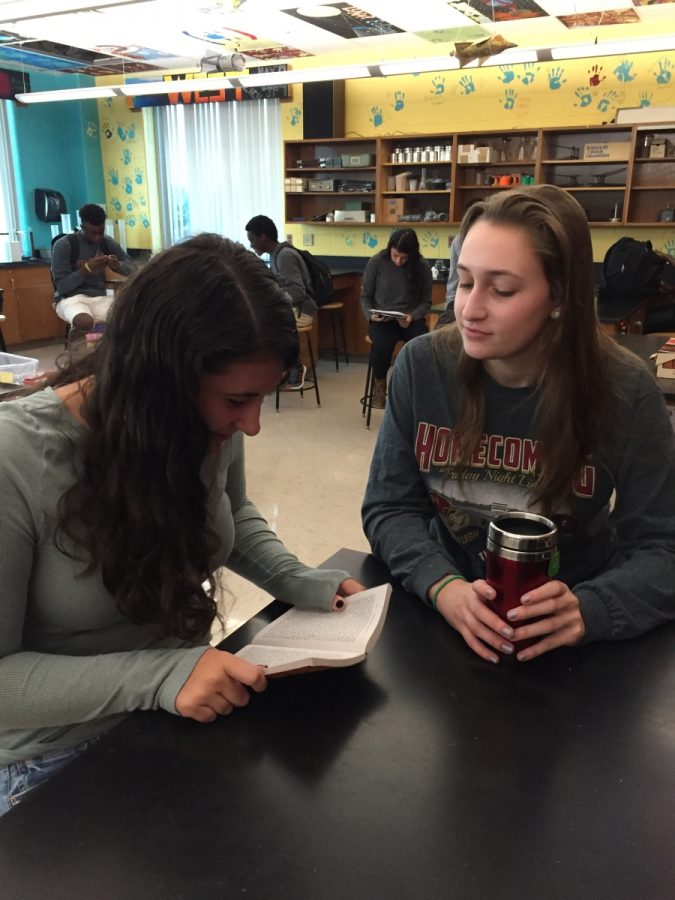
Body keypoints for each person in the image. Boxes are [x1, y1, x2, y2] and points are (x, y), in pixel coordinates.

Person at [0, 234, 363, 816]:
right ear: (156, 382)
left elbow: (230, 515)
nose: (252, 426)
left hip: (182, 710)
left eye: (262, 400)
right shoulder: (13, 458)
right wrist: (160, 673)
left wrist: (299, 580)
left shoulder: (199, 427)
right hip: (54, 760)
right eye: (237, 401)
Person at [362, 185, 675, 665]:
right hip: (446, 622)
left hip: (575, 633)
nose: (470, 309)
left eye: (502, 289)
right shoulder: (421, 367)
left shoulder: (627, 391)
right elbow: (389, 508)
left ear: (560, 297)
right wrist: (442, 585)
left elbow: (662, 547)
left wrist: (590, 610)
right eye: (464, 282)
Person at [360, 228, 432, 409]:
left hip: (409, 319)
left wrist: (412, 316)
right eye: (395, 256)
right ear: (389, 249)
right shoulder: (377, 262)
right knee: (382, 344)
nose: (399, 261)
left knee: (422, 344)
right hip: (382, 319)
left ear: (412, 255)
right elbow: (365, 297)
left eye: (404, 258)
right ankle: (379, 387)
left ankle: (409, 387)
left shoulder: (422, 266)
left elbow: (426, 302)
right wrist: (370, 315)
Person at [245, 214, 316, 390]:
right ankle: (281, 370)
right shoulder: (277, 255)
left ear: (262, 237)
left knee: (266, 328)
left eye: (252, 239)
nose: (251, 245)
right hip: (294, 309)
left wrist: (272, 295)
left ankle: (292, 366)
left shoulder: (284, 256)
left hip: (303, 311)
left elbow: (298, 292)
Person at [51, 203, 136, 339]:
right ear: (82, 227)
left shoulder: (106, 242)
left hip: (100, 298)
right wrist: (86, 270)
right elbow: (62, 286)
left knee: (127, 318)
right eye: (93, 233)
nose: (97, 237)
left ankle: (112, 357)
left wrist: (116, 266)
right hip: (71, 299)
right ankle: (77, 356)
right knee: (84, 322)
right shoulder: (64, 245)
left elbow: (133, 269)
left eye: (101, 232)